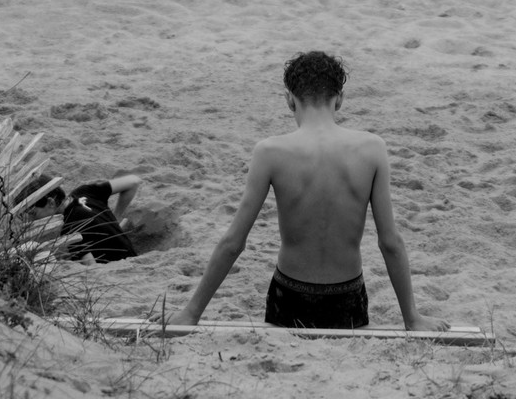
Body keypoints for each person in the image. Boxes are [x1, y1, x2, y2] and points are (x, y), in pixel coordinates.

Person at [180, 50, 420, 330]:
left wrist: (191, 313)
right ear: (339, 99)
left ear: (289, 100)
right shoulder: (372, 149)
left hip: (289, 295)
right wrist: (412, 319)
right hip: (347, 296)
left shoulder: (270, 152)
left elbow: (234, 242)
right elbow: (390, 242)